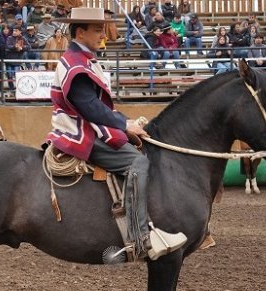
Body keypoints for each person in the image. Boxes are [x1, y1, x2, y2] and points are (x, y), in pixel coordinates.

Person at [46, 8, 187, 260]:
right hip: (79, 131)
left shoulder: (83, 60)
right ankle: (140, 237)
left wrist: (127, 123)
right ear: (80, 32)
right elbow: (89, 107)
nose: (104, 34)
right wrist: (125, 124)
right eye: (98, 29)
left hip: (90, 125)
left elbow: (98, 107)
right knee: (137, 161)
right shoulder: (76, 64)